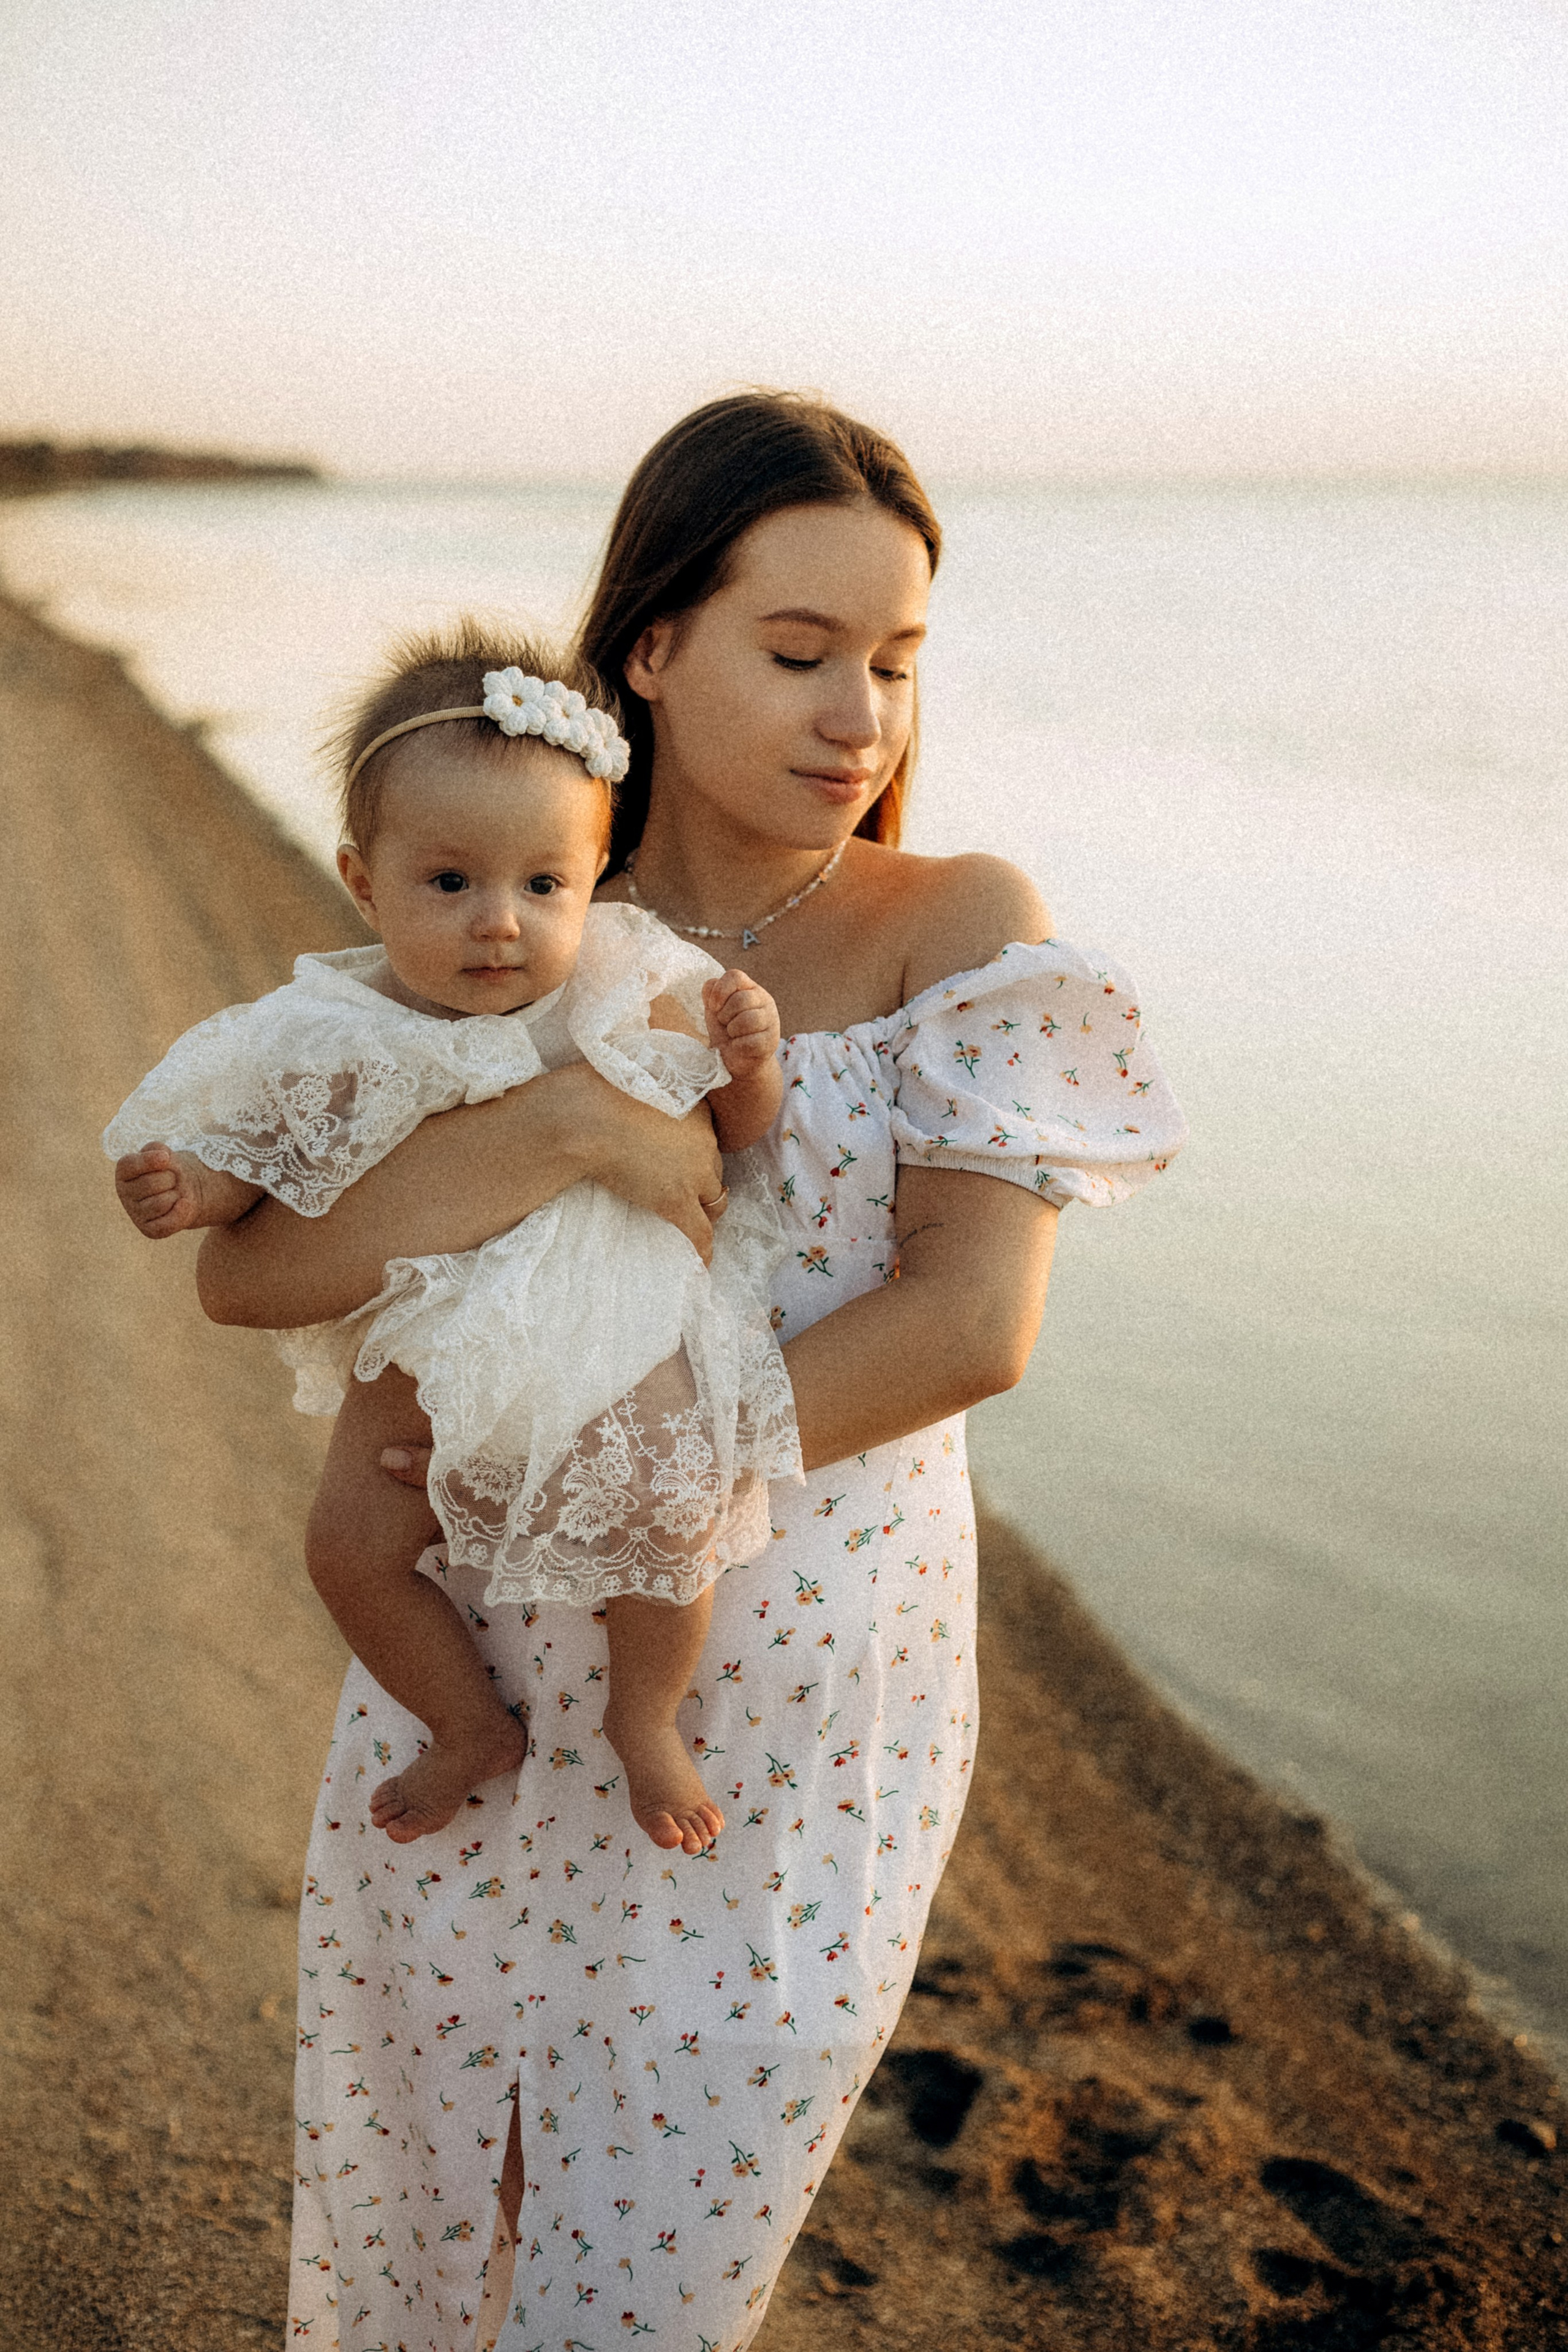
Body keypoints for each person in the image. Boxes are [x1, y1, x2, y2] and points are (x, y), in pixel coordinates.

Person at [196, 392, 1187, 2352]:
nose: (862, 720)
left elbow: (974, 1321)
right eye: (802, 654)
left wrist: (652, 1452)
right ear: (653, 644)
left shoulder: (963, 927)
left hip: (789, 1725)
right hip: (477, 1667)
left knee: (657, 2260)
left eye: (897, 664)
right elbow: (265, 1263)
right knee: (437, 2201)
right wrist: (569, 1132)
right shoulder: (518, 907)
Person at [107, 630, 801, 1859]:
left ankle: (645, 1719)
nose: (501, 926)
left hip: (603, 1309)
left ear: (594, 880)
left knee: (666, 1510)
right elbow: (280, 1153)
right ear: (363, 882)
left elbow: (723, 1146)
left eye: (545, 887)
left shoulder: (624, 986)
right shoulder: (336, 1025)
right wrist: (199, 1185)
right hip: (417, 1327)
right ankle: (464, 1722)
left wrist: (751, 1064)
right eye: (449, 885)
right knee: (347, 1547)